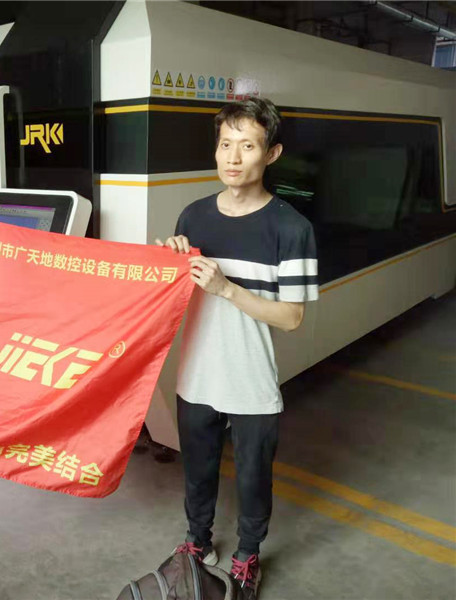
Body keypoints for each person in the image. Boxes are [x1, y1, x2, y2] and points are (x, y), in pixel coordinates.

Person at [156, 98, 318, 599]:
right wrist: (171, 263)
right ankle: (197, 542)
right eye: (225, 144)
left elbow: (291, 317)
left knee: (252, 477)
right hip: (197, 373)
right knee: (198, 469)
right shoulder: (194, 215)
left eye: (247, 146)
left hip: (250, 378)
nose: (232, 157)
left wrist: (227, 289)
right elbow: (181, 292)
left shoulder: (291, 228)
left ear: (271, 154)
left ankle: (248, 556)